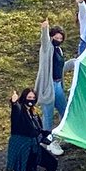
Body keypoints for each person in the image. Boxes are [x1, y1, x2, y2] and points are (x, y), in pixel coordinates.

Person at [35, 18, 79, 156]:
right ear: (51, 36)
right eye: (56, 37)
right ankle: (47, 142)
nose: (58, 40)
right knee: (47, 116)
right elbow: (44, 41)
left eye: (61, 38)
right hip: (48, 87)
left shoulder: (59, 50)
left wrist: (74, 63)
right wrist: (44, 29)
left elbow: (60, 68)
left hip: (58, 85)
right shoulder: (47, 48)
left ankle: (63, 135)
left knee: (64, 110)